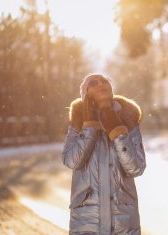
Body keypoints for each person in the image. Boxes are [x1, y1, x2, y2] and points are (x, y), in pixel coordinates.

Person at [61, 73, 146, 235]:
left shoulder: (128, 119)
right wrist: (90, 127)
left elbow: (136, 168)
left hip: (123, 222)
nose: (101, 84)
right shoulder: (78, 122)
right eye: (93, 83)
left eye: (105, 81)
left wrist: (117, 131)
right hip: (87, 222)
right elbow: (71, 161)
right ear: (86, 93)